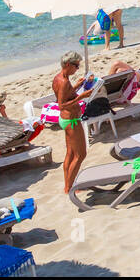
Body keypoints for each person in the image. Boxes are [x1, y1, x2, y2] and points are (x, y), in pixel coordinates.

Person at [54, 51, 94, 193]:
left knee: (71, 153)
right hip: (72, 120)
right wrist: (81, 96)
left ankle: (69, 185)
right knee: (80, 154)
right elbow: (62, 105)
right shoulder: (64, 81)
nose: (77, 69)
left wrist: (77, 86)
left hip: (66, 119)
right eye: (76, 66)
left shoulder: (59, 78)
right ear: (68, 64)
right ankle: (69, 187)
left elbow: (65, 95)